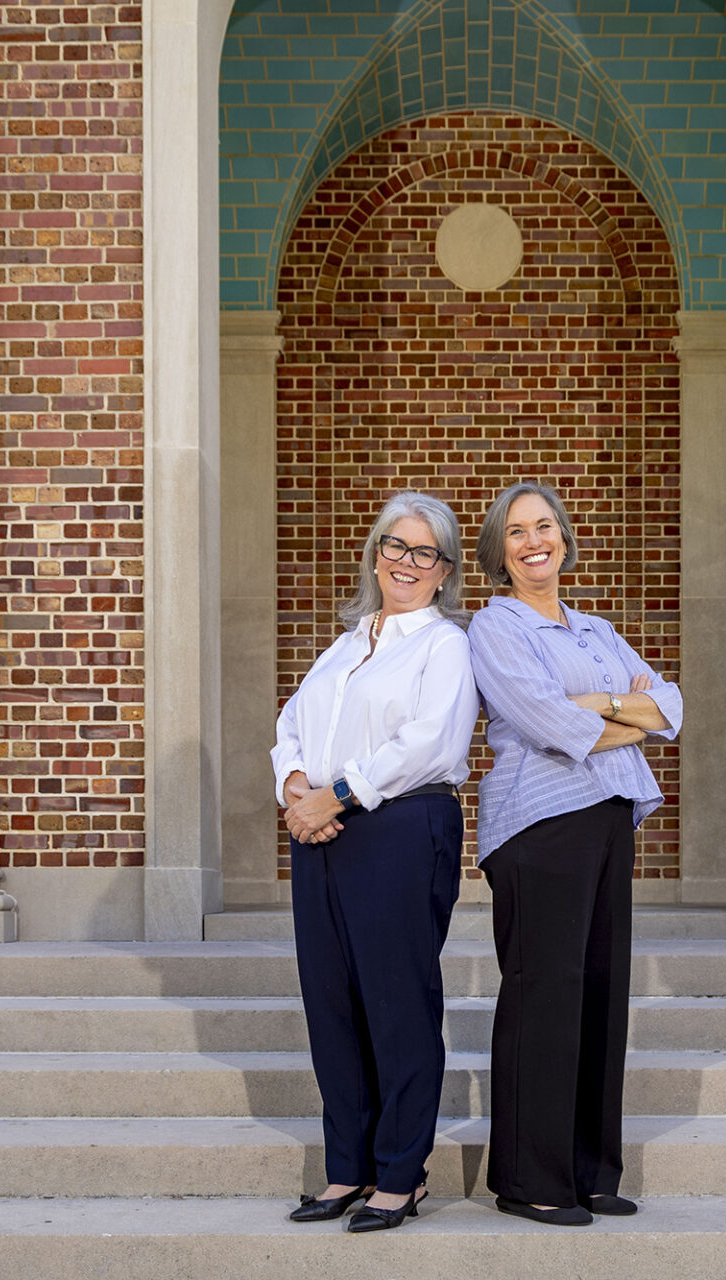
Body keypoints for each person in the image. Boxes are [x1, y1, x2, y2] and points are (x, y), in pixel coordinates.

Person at [466, 480, 683, 1226]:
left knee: (600, 996)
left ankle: (590, 1171)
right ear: (500, 549)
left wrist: (600, 709)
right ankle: (530, 1179)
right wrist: (623, 710)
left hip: (607, 817)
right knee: (545, 997)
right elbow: (545, 722)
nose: (535, 541)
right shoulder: (495, 629)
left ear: (563, 537)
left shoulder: (593, 629)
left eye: (546, 526)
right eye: (519, 531)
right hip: (539, 827)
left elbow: (672, 707)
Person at [271, 491, 477, 1233]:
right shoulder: (347, 642)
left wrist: (337, 794)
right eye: (396, 546)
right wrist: (297, 788)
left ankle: (400, 1174)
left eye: (424, 553)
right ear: (376, 551)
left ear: (444, 570)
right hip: (321, 831)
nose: (406, 563)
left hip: (400, 825)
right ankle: (347, 1169)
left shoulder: (444, 644)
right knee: (331, 1004)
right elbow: (291, 724)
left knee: (396, 1003)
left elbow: (428, 744)